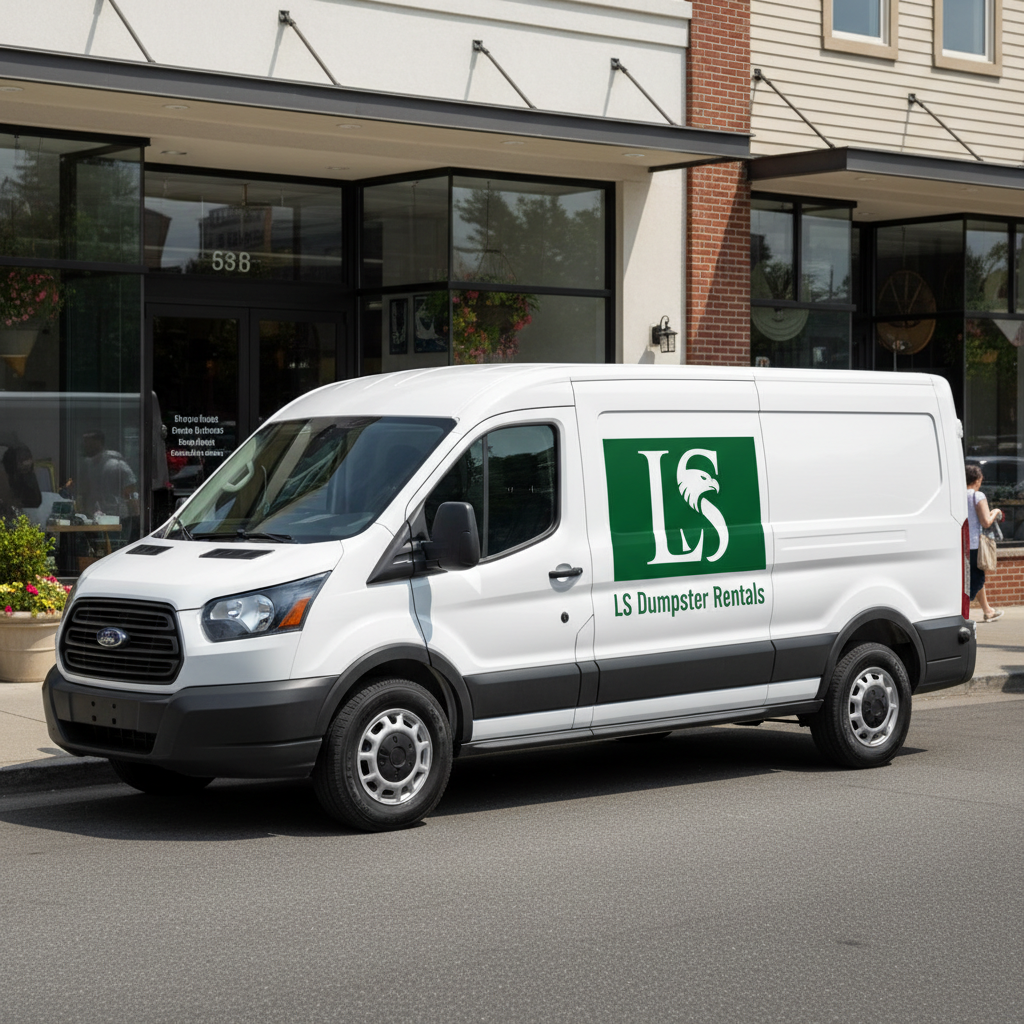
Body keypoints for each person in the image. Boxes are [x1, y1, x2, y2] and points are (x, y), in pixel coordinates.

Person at [966, 463, 1004, 623]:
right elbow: (986, 522)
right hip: (975, 544)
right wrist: (995, 512)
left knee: (970, 578)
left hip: (962, 544)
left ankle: (988, 611)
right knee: (977, 579)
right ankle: (960, 612)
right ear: (978, 480)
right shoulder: (977, 496)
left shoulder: (957, 494)